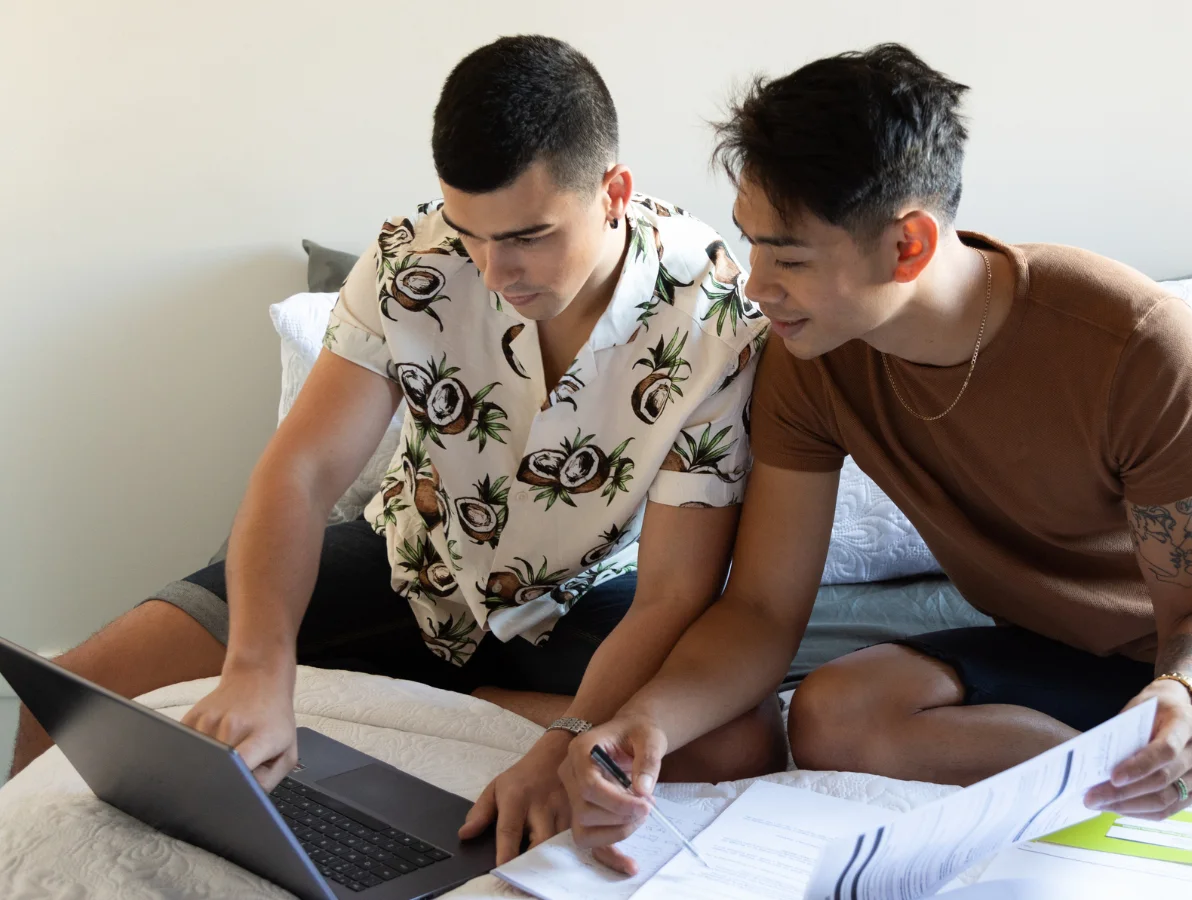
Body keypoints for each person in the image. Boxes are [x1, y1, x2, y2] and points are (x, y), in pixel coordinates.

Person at [561, 44, 1192, 873]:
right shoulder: (808, 357)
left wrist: (1182, 700)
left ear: (908, 246)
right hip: (1062, 642)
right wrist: (639, 722)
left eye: (785, 254)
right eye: (750, 244)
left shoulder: (1133, 341)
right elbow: (759, 614)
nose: (756, 284)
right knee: (836, 714)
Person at [10, 35, 783, 865]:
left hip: (581, 606)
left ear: (613, 193)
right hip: (412, 559)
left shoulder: (716, 319)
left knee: (737, 744)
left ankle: (481, 698)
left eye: (528, 236)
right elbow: (303, 474)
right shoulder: (410, 258)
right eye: (472, 234)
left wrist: (564, 736)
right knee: (77, 686)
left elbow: (671, 592)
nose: (495, 271)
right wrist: (259, 667)